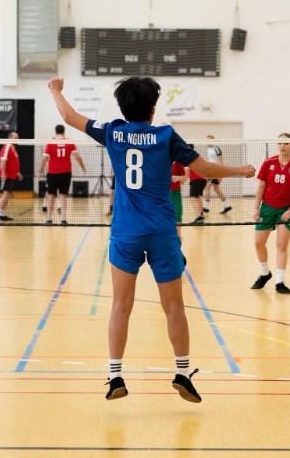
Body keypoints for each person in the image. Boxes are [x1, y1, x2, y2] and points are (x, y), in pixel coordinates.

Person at [48, 75, 255, 403]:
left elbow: (70, 117)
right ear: (153, 107)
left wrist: (55, 90)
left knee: (120, 305)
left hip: (126, 232)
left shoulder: (113, 131)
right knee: (174, 306)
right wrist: (240, 170)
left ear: (123, 107)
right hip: (162, 232)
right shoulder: (166, 135)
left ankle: (115, 375)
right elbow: (204, 170)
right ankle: (183, 373)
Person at [251, 134, 290, 294]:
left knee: (281, 246)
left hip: (286, 209)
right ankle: (264, 273)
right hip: (267, 208)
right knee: (258, 243)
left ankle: (280, 281)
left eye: (286, 143)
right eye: (280, 143)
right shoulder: (268, 163)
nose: (282, 146)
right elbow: (261, 187)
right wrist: (256, 208)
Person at [38, 124, 86, 225]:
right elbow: (77, 157)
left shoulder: (50, 142)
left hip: (52, 173)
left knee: (51, 195)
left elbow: (44, 159)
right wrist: (83, 167)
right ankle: (63, 219)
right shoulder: (69, 142)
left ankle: (49, 219)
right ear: (63, 131)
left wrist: (40, 170)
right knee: (63, 195)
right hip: (66, 172)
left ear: (55, 131)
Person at [0, 131, 23, 221]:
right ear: (10, 138)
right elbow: (3, 160)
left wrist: (17, 173)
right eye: (15, 138)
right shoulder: (7, 146)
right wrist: (3, 173)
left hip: (11, 176)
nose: (17, 140)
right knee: (6, 193)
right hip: (5, 175)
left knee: (7, 194)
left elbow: (12, 163)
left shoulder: (13, 148)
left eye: (17, 138)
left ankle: (1, 212)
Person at [202, 135, 232, 214]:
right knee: (217, 189)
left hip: (215, 171)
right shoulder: (208, 149)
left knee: (207, 188)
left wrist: (220, 174)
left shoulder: (216, 148)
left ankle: (206, 207)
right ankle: (227, 206)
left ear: (213, 140)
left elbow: (221, 161)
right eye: (207, 140)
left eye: (210, 140)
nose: (209, 142)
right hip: (211, 170)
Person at [171, 161, 187, 239]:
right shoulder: (157, 158)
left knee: (177, 217)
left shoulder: (177, 161)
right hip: (160, 194)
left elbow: (184, 177)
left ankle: (178, 241)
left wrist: (178, 178)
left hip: (175, 194)